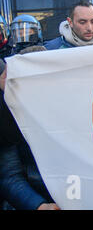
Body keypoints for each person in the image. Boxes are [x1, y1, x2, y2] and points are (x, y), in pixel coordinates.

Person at [0, 46, 60, 210]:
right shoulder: (8, 116)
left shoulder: (70, 107)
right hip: (33, 197)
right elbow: (9, 175)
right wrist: (39, 206)